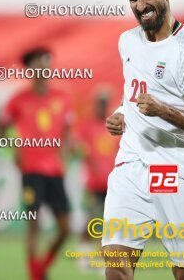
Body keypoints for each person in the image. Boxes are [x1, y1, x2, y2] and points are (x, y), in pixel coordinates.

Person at [103, 0, 184, 280]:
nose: (140, 6)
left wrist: (163, 111)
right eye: (132, 0)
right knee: (116, 266)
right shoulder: (128, 41)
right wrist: (122, 113)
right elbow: (133, 94)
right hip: (132, 164)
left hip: (177, 168)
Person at [0, 48, 74, 280]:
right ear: (30, 69)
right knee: (34, 223)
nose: (44, 67)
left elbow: (68, 131)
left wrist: (68, 147)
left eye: (46, 62)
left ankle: (43, 265)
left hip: (55, 171)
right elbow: (0, 128)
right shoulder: (18, 100)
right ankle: (35, 274)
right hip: (31, 172)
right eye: (39, 63)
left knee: (65, 227)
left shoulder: (63, 97)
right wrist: (13, 148)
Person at [76, 91, 118, 271]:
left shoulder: (113, 126)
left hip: (110, 183)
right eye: (100, 103)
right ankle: (84, 253)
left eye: (105, 102)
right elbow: (80, 149)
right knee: (92, 219)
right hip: (93, 183)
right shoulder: (87, 126)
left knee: (106, 222)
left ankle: (102, 259)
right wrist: (91, 163)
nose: (102, 106)